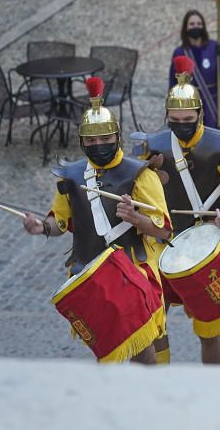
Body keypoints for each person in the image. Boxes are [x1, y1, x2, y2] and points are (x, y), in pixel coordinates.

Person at [23, 77, 170, 364]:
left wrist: (137, 218)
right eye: (91, 140)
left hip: (132, 270)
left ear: (117, 137)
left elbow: (164, 230)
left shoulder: (141, 175)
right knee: (109, 353)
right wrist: (42, 227)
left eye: (105, 138)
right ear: (82, 141)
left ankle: (154, 400)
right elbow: (60, 222)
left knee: (140, 351)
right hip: (91, 272)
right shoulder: (72, 175)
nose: (98, 144)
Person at [133, 56, 220, 365]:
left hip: (208, 243)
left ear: (201, 114)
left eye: (187, 120)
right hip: (162, 239)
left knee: (208, 327)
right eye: (174, 121)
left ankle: (209, 384)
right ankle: (157, 378)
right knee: (153, 315)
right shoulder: (152, 146)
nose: (181, 126)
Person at [169, 10, 220, 129]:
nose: (196, 27)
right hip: (193, 105)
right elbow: (174, 85)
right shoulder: (180, 53)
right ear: (186, 28)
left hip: (215, 102)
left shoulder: (213, 47)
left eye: (199, 24)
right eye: (192, 24)